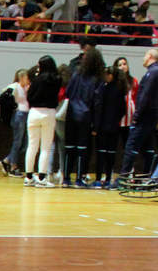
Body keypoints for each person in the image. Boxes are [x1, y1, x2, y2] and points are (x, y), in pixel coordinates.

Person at [62, 44, 103, 187]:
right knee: (82, 149)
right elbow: (97, 102)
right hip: (86, 116)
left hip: (71, 113)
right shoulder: (97, 78)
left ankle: (66, 178)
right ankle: (79, 178)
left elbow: (68, 93)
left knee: (69, 147)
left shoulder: (76, 73)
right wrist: (96, 124)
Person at [119, 47, 158, 177]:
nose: (143, 59)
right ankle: (146, 175)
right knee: (147, 147)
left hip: (146, 115)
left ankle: (124, 177)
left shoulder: (153, 72)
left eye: (145, 56)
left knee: (131, 146)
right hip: (151, 115)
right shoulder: (157, 72)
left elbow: (146, 95)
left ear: (150, 56)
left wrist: (137, 115)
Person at [24, 54, 60, 187]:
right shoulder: (56, 79)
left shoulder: (36, 80)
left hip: (34, 113)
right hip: (49, 113)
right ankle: (42, 178)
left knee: (32, 145)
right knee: (45, 147)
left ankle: (28, 177)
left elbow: (30, 96)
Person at [0, 68, 29, 176]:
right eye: (26, 77)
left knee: (25, 144)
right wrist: (14, 105)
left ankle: (6, 160)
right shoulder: (14, 86)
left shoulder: (26, 87)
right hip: (19, 115)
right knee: (18, 142)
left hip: (26, 115)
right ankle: (13, 166)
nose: (28, 80)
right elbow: (2, 97)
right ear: (21, 78)